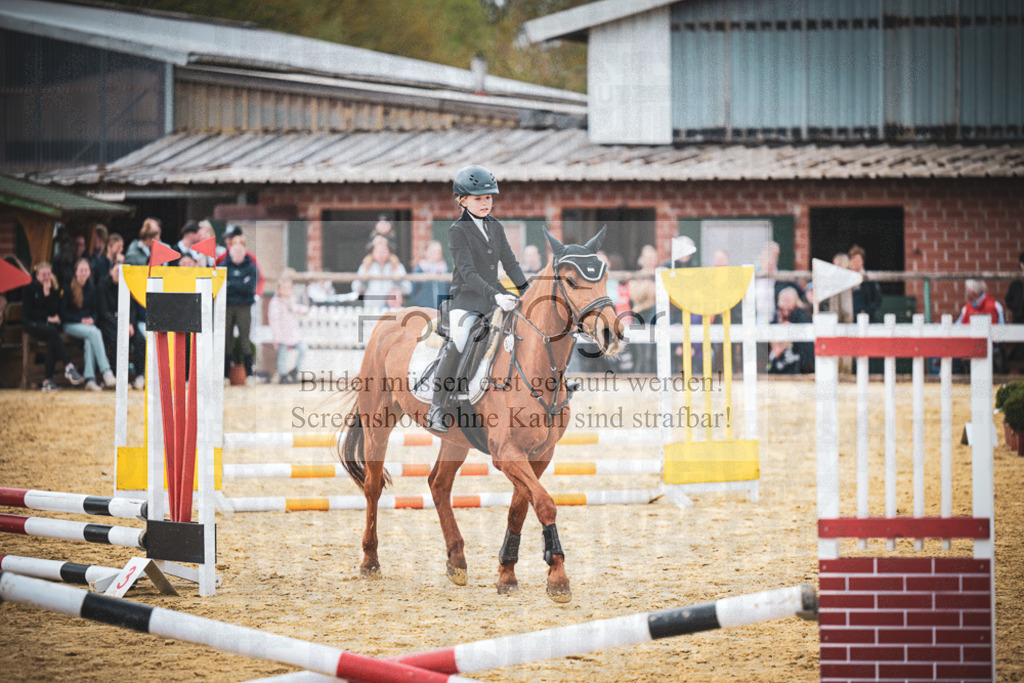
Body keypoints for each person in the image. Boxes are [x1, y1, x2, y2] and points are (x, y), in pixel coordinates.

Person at [426, 164, 528, 432]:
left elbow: (510, 262)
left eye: (488, 198)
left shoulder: (495, 226)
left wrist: (526, 292)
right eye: (478, 198)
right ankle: (437, 405)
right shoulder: (457, 231)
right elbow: (468, 273)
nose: (486, 203)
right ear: (462, 200)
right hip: (467, 299)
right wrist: (496, 296)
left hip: (495, 295)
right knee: (459, 340)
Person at [22, 261, 83, 391]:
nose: (46, 277)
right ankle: (68, 366)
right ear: (37, 276)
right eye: (43, 275)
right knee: (53, 332)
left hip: (46, 327)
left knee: (52, 339)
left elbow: (53, 309)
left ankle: (47, 381)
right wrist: (47, 317)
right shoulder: (29, 288)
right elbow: (29, 312)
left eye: (48, 274)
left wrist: (48, 294)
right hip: (31, 324)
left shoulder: (53, 288)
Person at [60, 258, 116, 391]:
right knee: (95, 332)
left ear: (89, 272)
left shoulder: (91, 287)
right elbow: (63, 313)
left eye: (86, 270)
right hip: (71, 324)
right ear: (76, 272)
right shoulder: (68, 287)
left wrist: (92, 319)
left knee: (89, 341)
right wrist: (81, 320)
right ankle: (106, 371)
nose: (84, 273)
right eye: (81, 270)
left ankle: (90, 380)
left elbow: (95, 311)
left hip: (87, 327)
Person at [96, 255, 146, 389]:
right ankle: (117, 376)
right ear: (110, 271)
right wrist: (122, 325)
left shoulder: (127, 285)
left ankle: (140, 375)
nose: (119, 274)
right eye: (117, 270)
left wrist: (130, 325)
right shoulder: (103, 286)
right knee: (115, 339)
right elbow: (104, 313)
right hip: (109, 324)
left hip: (127, 324)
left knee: (140, 339)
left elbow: (133, 310)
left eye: (122, 272)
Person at [224, 241, 259, 382]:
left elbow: (249, 287)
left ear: (245, 251)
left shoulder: (251, 267)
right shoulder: (223, 266)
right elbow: (222, 286)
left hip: (244, 306)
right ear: (230, 251)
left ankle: (249, 374)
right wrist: (240, 284)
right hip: (227, 305)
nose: (237, 253)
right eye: (234, 250)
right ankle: (226, 375)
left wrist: (232, 284)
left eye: (240, 250)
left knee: (245, 338)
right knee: (227, 340)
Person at [267, 270, 308, 384]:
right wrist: (277, 336)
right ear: (279, 289)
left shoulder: (292, 301)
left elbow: (302, 310)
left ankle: (295, 371)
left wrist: (299, 309)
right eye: (283, 288)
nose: (286, 290)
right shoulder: (275, 303)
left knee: (303, 349)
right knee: (282, 355)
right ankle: (283, 374)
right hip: (282, 335)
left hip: (293, 334)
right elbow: (274, 320)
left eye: (288, 288)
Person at [352, 236, 411, 310]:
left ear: (389, 251)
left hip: (391, 308)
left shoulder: (397, 266)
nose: (381, 254)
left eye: (383, 250)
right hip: (371, 308)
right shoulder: (366, 266)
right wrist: (363, 280)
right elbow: (355, 288)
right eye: (378, 251)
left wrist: (399, 281)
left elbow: (408, 289)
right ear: (373, 252)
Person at [766, 286, 814, 374]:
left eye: (789, 299)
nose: (786, 302)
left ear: (795, 301)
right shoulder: (777, 315)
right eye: (783, 299)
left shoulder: (800, 314)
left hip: (798, 357)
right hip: (778, 354)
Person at [215, 225, 265, 298]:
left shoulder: (249, 258)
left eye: (231, 238)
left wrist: (257, 294)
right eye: (227, 238)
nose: (228, 240)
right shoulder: (221, 258)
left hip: (245, 300)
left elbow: (260, 278)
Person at [409, 240, 450, 309]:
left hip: (442, 309)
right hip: (425, 309)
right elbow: (413, 291)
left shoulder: (445, 269)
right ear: (426, 252)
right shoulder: (420, 269)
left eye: (438, 251)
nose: (435, 253)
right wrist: (420, 303)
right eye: (432, 251)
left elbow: (449, 289)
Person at [848, 245, 882, 321]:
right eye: (853, 260)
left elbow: (877, 300)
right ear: (849, 261)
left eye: (858, 260)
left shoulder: (870, 278)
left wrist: (866, 311)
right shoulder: (845, 278)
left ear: (863, 261)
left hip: (867, 319)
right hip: (849, 320)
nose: (855, 263)